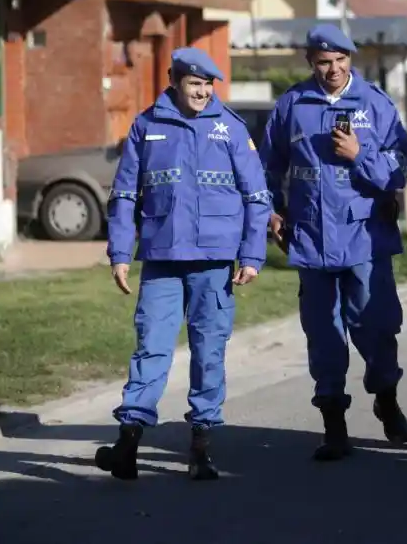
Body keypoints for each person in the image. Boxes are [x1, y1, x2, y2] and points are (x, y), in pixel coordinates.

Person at [92, 47, 272, 482]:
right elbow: (124, 196)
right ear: (174, 81)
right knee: (151, 348)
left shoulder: (230, 127)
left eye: (208, 85)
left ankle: (201, 448)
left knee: (209, 352)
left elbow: (257, 197)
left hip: (213, 262)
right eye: (195, 84)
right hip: (163, 259)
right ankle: (128, 443)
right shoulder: (147, 126)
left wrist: (251, 255)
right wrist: (120, 253)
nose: (203, 92)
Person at [261, 24, 407, 461]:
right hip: (311, 238)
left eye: (340, 60)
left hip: (365, 237)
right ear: (310, 62)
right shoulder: (292, 105)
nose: (333, 69)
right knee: (323, 334)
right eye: (324, 62)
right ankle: (334, 427)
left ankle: (386, 397)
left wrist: (360, 155)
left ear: (351, 59)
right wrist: (272, 211)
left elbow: (403, 164)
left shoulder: (375, 103)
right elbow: (267, 167)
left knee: (376, 326)